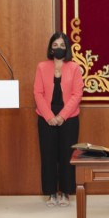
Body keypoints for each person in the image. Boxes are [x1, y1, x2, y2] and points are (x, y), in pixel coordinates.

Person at [34, 32, 84, 207]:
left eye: (62, 45)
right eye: (55, 45)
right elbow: (37, 93)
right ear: (50, 48)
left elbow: (77, 94)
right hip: (46, 117)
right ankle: (51, 193)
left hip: (68, 118)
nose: (58, 48)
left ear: (67, 47)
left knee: (66, 155)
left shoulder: (74, 68)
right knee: (48, 155)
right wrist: (49, 117)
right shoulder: (41, 67)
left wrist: (62, 116)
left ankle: (66, 192)